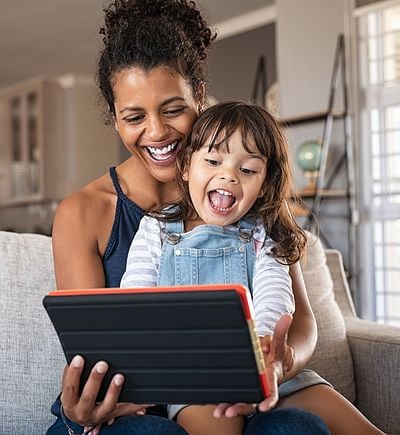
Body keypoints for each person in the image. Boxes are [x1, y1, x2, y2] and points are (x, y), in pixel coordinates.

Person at [47, 1, 331, 434]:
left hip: (247, 383)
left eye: (173, 109)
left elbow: (301, 320)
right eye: (134, 117)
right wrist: (82, 408)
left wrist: (277, 365)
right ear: (115, 120)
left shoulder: (237, 194)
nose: (157, 132)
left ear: (200, 95)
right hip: (136, 403)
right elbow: (97, 346)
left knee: (296, 427)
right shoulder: (85, 211)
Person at [121, 101, 384, 435]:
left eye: (247, 169)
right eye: (213, 161)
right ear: (186, 166)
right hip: (198, 381)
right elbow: (135, 299)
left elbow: (276, 290)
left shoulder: (265, 231)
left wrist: (262, 352)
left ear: (263, 183)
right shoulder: (156, 228)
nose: (229, 174)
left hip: (269, 371)